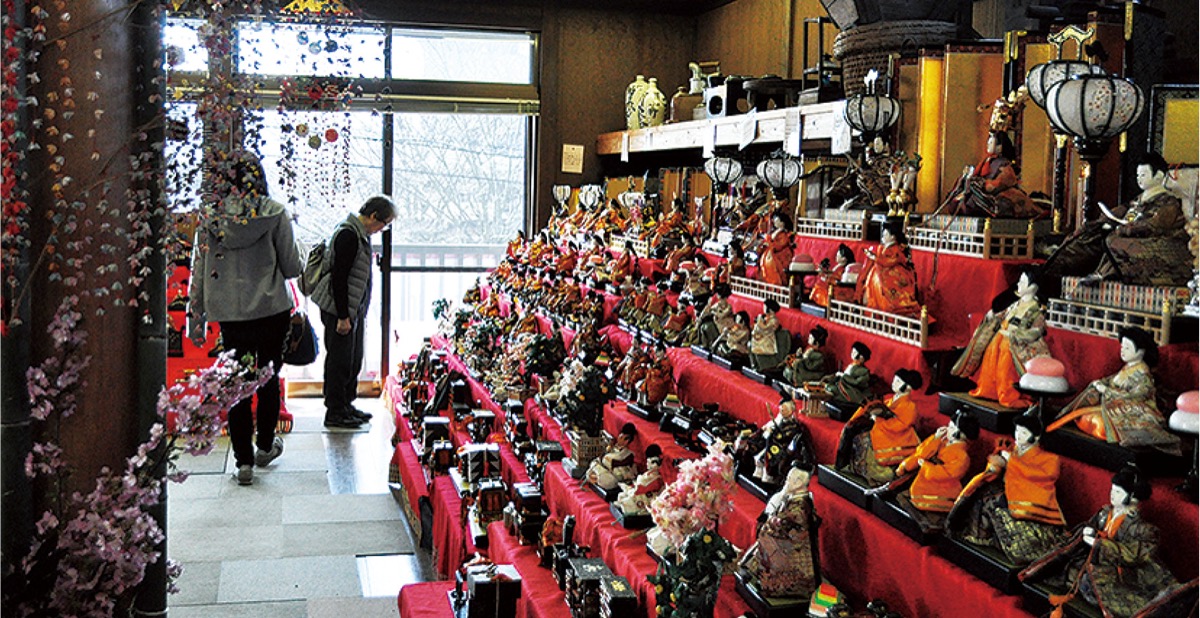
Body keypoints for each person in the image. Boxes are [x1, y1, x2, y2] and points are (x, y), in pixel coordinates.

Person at [188, 152, 302, 485]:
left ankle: (243, 463)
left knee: (236, 385)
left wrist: (195, 318)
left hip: (230, 316)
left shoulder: (209, 219)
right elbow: (293, 267)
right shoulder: (275, 213)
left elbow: (199, 272)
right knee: (267, 379)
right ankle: (265, 446)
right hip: (270, 310)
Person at [1020, 465, 1182, 618]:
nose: (1112, 494)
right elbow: (1090, 527)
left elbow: (1134, 554)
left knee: (1098, 585)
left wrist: (1099, 544)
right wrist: (1087, 531)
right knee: (1064, 570)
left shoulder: (1142, 529)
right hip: (1095, 562)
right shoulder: (1104, 513)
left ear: (1132, 496)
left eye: (1118, 492)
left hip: (1122, 571)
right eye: (1112, 490)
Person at [1040, 152, 1192, 294]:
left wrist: (1123, 229)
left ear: (1158, 176)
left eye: (1143, 175)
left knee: (1115, 242)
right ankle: (1056, 271)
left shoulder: (1169, 203)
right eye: (1138, 175)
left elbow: (1154, 225)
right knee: (1090, 235)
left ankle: (1102, 274)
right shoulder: (1138, 200)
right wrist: (1104, 222)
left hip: (1157, 243)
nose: (1139, 178)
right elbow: (1120, 212)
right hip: (1124, 232)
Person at [310, 195, 397, 429]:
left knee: (352, 358)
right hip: (339, 309)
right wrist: (342, 316)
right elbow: (339, 278)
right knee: (339, 360)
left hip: (351, 309)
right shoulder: (348, 234)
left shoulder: (358, 234)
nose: (382, 229)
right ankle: (335, 410)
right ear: (373, 216)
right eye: (384, 223)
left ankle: (347, 405)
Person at [951, 411, 1067, 565]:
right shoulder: (1013, 450)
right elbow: (999, 469)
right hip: (1009, 491)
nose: (1018, 436)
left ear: (1036, 437)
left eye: (1024, 433)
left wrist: (1011, 461)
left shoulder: (1050, 459)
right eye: (1017, 431)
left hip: (1029, 498)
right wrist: (996, 463)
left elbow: (1037, 475)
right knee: (982, 493)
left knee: (996, 503)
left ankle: (1007, 544)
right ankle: (982, 535)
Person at [1048, 326, 1181, 454]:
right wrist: (1101, 383)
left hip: (1134, 410)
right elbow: (1113, 381)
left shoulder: (1142, 373)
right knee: (1084, 416)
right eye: (1122, 346)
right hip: (1115, 407)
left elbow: (1136, 396)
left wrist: (1106, 390)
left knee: (1098, 423)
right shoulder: (1128, 367)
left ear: (1141, 351)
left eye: (1127, 347)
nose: (1122, 350)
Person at [951, 271, 1051, 408]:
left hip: (1014, 343)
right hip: (1000, 337)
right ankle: (988, 391)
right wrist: (993, 316)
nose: (1019, 284)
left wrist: (1019, 334)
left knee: (1005, 370)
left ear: (1033, 287)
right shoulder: (1016, 304)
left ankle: (1008, 395)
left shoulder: (1036, 309)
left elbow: (1038, 330)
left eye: (1022, 282)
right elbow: (1003, 315)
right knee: (989, 365)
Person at [737, 462, 820, 599]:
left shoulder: (801, 505)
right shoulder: (791, 498)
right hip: (787, 537)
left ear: (799, 482)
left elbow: (791, 521)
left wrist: (772, 523)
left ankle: (775, 584)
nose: (786, 482)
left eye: (789, 480)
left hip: (793, 545)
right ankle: (752, 570)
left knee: (769, 544)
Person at [835, 368, 922, 486]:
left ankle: (870, 472)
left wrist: (878, 420)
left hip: (899, 436)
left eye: (897, 382)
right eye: (894, 381)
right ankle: (852, 466)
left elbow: (901, 425)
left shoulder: (910, 406)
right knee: (854, 432)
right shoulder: (890, 399)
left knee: (866, 440)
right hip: (883, 429)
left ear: (908, 387)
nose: (893, 383)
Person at [856, 219, 920, 317]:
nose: (883, 237)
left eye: (885, 235)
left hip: (894, 272)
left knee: (884, 285)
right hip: (882, 269)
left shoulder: (897, 249)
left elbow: (889, 261)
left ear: (893, 237)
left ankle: (892, 309)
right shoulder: (883, 248)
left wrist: (874, 257)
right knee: (874, 280)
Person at [759, 212, 795, 287]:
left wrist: (770, 244)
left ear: (782, 223)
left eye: (777, 220)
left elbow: (779, 245)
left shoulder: (785, 234)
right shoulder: (776, 232)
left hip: (780, 254)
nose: (775, 222)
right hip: (772, 252)